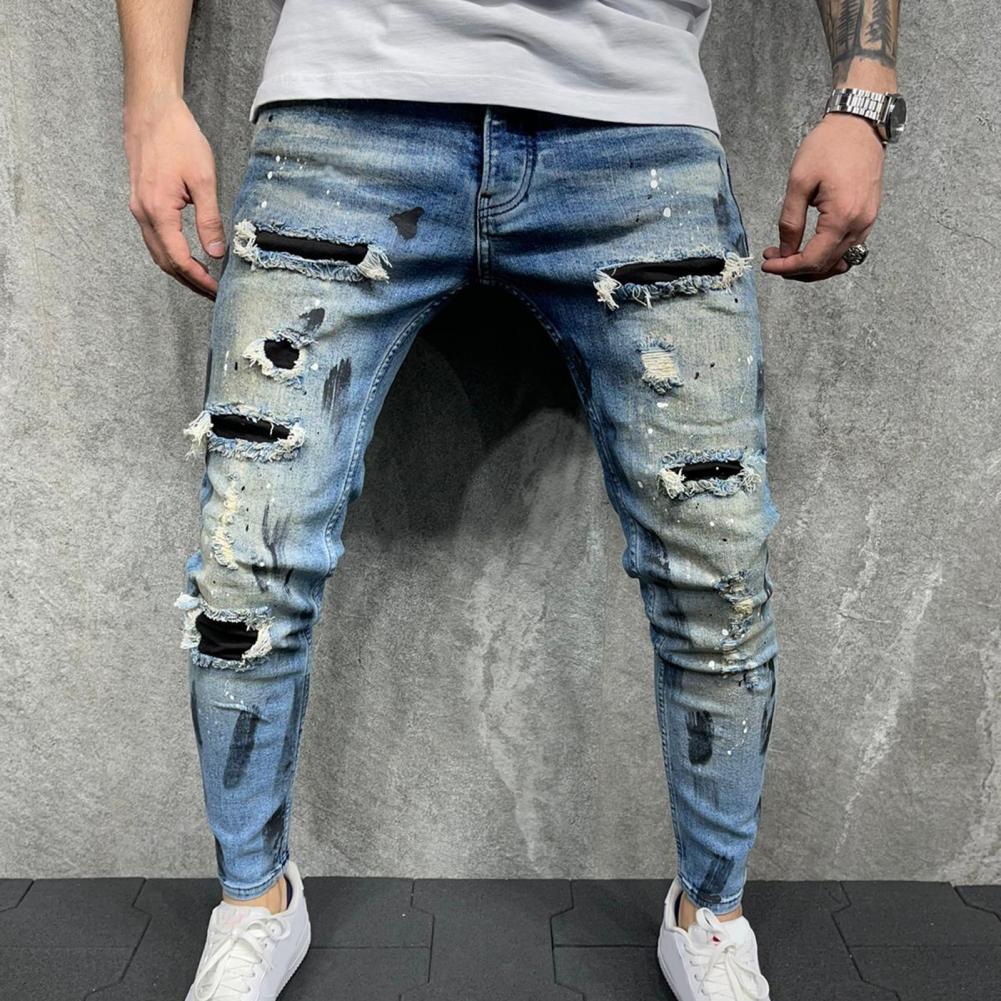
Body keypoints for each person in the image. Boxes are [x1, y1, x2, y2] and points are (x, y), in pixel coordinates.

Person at [116, 2, 905, 999]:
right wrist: (152, 97)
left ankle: (710, 916)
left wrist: (863, 97)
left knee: (716, 566)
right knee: (246, 562)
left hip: (633, 123)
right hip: (343, 102)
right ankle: (251, 902)